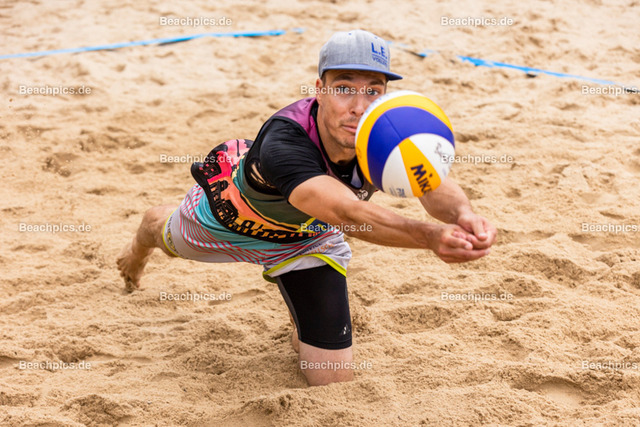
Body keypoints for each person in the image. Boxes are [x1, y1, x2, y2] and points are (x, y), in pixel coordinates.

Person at [117, 29, 497, 387]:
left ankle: (303, 315)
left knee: (330, 379)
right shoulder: (285, 140)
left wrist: (463, 214)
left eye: (373, 91)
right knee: (164, 235)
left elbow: (429, 180)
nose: (359, 106)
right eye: (344, 88)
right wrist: (430, 236)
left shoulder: (386, 129)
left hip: (306, 240)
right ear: (320, 90)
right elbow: (348, 214)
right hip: (227, 221)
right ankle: (141, 243)